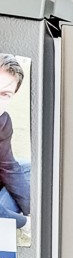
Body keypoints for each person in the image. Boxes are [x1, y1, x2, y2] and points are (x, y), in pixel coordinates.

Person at [0, 54, 29, 228]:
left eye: (5, 94)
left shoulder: (2, 121)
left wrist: (30, 210)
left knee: (27, 167)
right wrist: (25, 223)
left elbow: (8, 166)